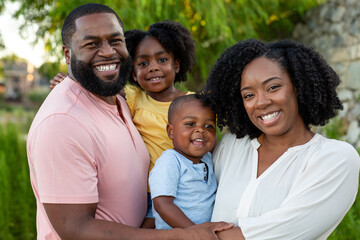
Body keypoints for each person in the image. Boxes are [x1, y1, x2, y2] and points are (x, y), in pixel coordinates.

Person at [27, 3, 231, 239]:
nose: (107, 52)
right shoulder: (61, 122)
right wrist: (185, 235)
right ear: (67, 54)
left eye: (115, 41)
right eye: (92, 43)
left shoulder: (118, 100)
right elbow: (75, 229)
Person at [199, 39, 360, 239]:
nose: (261, 102)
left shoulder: (335, 158)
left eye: (273, 87)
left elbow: (283, 232)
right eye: (248, 95)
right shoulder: (233, 145)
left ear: (298, 86)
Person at [50, 21, 196, 227]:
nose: (153, 67)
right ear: (133, 73)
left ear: (177, 64)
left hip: (187, 187)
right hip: (150, 192)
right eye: (143, 63)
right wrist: (71, 81)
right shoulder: (135, 99)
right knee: (147, 229)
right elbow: (98, 86)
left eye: (162, 60)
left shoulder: (194, 103)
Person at [149, 94, 217, 229]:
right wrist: (194, 232)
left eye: (209, 126)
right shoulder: (170, 161)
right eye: (190, 124)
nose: (201, 130)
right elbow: (162, 204)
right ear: (171, 131)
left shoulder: (208, 158)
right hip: (179, 235)